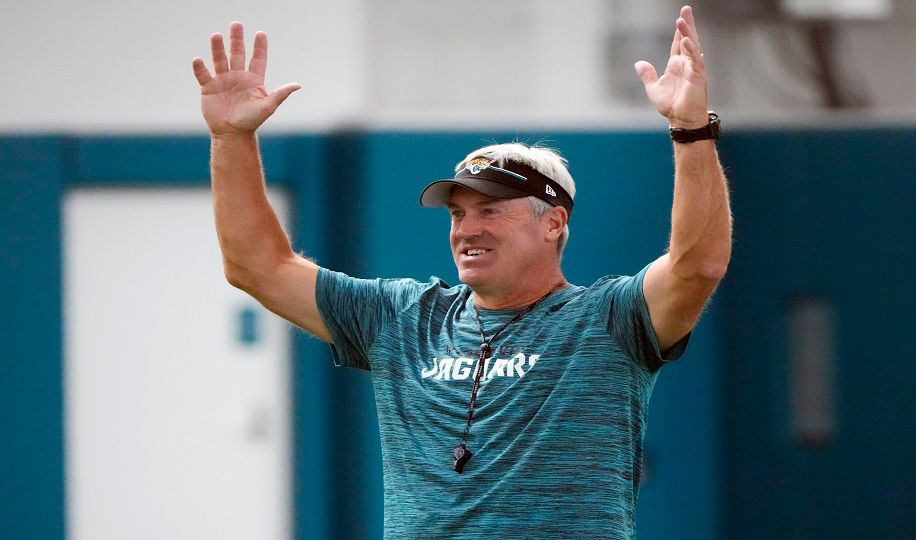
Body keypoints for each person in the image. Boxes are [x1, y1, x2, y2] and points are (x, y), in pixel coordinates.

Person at [192, 5, 730, 539]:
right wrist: (231, 139)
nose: (466, 229)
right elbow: (256, 267)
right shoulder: (402, 317)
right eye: (457, 213)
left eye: (490, 210)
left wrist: (689, 130)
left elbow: (696, 265)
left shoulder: (607, 320)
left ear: (553, 223)